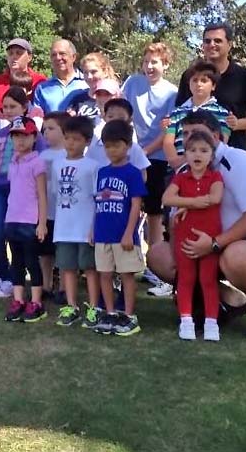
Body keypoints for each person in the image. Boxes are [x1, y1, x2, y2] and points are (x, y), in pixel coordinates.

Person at [147, 111, 246, 340]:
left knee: (235, 257)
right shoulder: (185, 170)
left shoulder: (239, 161)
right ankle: (227, 301)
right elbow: (174, 220)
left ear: (216, 136)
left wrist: (213, 244)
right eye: (185, 134)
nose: (190, 139)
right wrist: (181, 257)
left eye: (197, 133)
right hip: (208, 243)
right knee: (158, 255)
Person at [121, 42, 178, 295]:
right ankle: (126, 264)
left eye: (155, 62)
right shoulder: (132, 83)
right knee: (128, 207)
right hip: (132, 155)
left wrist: (144, 151)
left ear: (165, 64)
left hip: (158, 158)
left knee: (154, 213)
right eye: (146, 61)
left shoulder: (172, 93)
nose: (149, 66)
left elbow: (168, 130)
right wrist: (131, 148)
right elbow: (124, 114)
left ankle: (156, 267)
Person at [0, 87, 45, 298]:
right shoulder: (1, 134)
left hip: (23, 189)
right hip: (0, 187)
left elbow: (40, 163)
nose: (8, 110)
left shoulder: (33, 134)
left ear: (25, 107)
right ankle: (2, 275)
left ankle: (15, 278)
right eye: (5, 106)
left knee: (18, 235)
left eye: (13, 106)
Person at [162, 131, 223, 341]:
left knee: (208, 279)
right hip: (185, 236)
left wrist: (188, 202)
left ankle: (211, 322)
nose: (198, 155)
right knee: (186, 279)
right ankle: (186, 320)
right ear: (185, 154)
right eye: (192, 150)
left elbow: (216, 197)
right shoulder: (181, 177)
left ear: (211, 155)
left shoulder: (215, 176)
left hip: (209, 236)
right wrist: (192, 203)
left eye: (204, 151)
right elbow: (167, 198)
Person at [91, 120, 148, 337]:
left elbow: (136, 205)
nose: (111, 150)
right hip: (103, 233)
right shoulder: (102, 172)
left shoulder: (132, 173)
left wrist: (128, 232)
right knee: (104, 274)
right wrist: (92, 230)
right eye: (107, 146)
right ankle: (111, 312)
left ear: (127, 146)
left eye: (116, 145)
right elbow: (98, 203)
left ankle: (129, 315)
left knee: (126, 275)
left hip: (123, 235)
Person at [175, 22, 246, 151]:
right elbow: (179, 114)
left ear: (229, 45)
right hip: (194, 158)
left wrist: (237, 124)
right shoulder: (190, 76)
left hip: (231, 154)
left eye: (217, 41)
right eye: (207, 41)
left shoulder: (244, 76)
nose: (212, 45)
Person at [53, 116, 100, 327]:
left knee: (89, 268)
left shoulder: (93, 166)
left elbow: (98, 198)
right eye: (67, 138)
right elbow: (55, 192)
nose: (71, 143)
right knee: (67, 268)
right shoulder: (57, 164)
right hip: (64, 227)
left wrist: (94, 227)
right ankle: (71, 306)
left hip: (85, 227)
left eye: (76, 139)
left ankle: (93, 306)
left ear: (87, 141)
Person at [1, 117, 49, 323]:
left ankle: (37, 301)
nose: (19, 141)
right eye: (15, 136)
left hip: (30, 220)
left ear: (34, 137)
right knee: (16, 262)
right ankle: (19, 299)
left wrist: (42, 223)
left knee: (31, 261)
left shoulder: (37, 162)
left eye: (24, 136)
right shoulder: (13, 162)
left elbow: (42, 194)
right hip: (12, 219)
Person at [164, 61, 231, 169]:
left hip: (209, 170)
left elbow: (221, 143)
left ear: (213, 86)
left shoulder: (223, 114)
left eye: (204, 81)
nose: (198, 84)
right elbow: (168, 142)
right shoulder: (176, 112)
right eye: (194, 80)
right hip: (179, 169)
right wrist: (176, 161)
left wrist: (197, 159)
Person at [0, 38, 47, 131]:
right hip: (1, 139)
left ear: (29, 57)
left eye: (19, 53)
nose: (14, 57)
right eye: (10, 53)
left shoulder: (40, 81)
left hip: (31, 137)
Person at [38, 112, 69, 299]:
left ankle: (65, 287)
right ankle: (45, 285)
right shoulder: (43, 155)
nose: (46, 132)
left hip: (65, 212)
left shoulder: (69, 154)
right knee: (45, 251)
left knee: (63, 251)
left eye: (51, 128)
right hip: (46, 211)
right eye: (44, 129)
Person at [86, 98, 151, 173]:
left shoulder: (134, 148)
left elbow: (142, 175)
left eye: (121, 118)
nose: (115, 120)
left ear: (130, 120)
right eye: (110, 116)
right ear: (104, 118)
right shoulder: (95, 146)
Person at [32, 38, 89, 114]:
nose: (58, 58)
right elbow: (37, 120)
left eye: (62, 53)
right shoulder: (42, 89)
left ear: (73, 57)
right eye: (54, 55)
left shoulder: (87, 83)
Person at [68, 52, 118, 124]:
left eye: (93, 72)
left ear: (105, 71)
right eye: (85, 72)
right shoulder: (78, 99)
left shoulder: (115, 95)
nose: (89, 77)